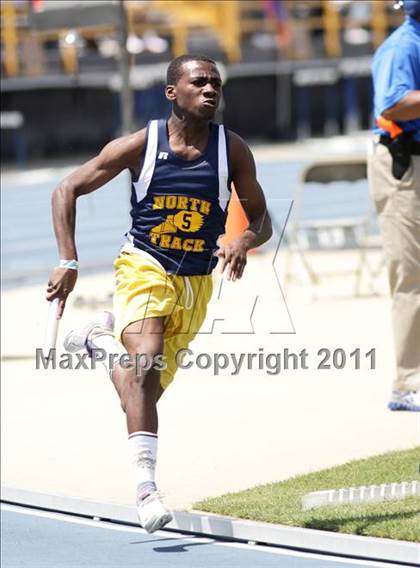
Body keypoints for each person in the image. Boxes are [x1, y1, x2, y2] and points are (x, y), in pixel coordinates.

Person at [45, 54, 272, 532]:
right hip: (143, 264)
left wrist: (241, 240)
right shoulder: (140, 145)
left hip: (195, 282)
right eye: (199, 82)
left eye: (215, 83)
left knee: (139, 390)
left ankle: (97, 342)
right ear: (173, 92)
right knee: (145, 363)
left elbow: (262, 221)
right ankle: (146, 490)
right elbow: (66, 188)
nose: (210, 90)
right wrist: (68, 260)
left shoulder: (233, 151)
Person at [368, 0, 420, 411]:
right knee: (411, 276)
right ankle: (408, 383)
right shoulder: (403, 46)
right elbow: (393, 103)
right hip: (404, 166)